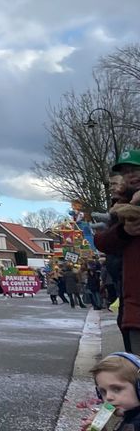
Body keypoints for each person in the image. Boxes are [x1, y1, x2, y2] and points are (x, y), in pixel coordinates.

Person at [94, 150, 140, 352]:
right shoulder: (119, 207)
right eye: (128, 171)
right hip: (135, 307)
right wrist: (124, 231)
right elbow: (102, 241)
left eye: (137, 169)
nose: (132, 175)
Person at [92, 353, 140, 430]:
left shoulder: (137, 424)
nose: (108, 397)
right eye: (103, 392)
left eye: (117, 389)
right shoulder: (131, 415)